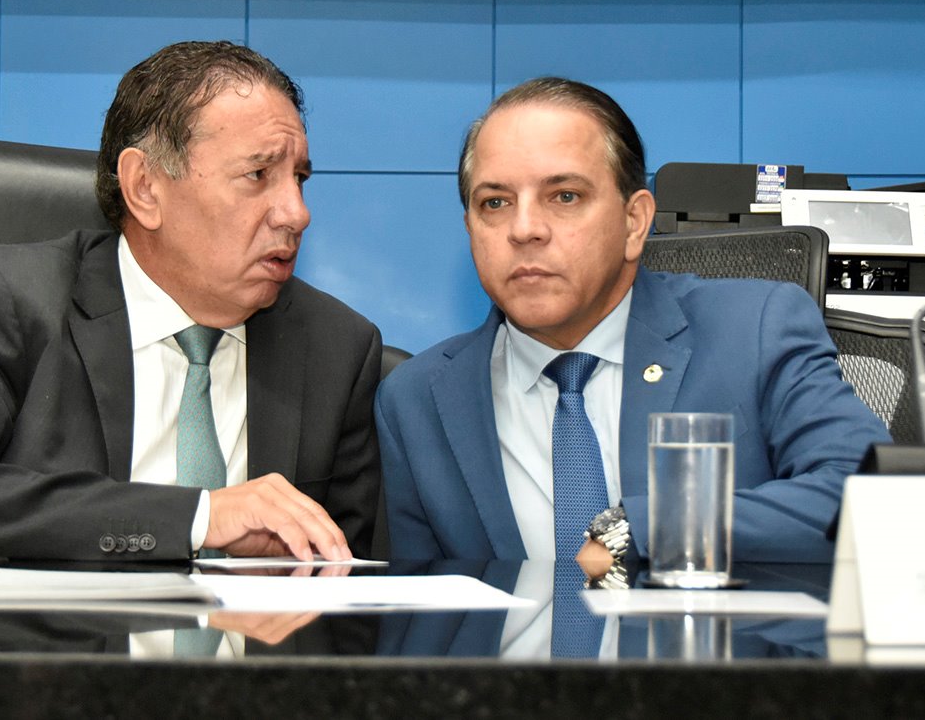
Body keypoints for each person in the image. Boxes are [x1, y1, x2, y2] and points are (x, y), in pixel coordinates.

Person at [0, 41, 383, 562]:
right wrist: (198, 519)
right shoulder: (0, 300)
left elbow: (347, 580)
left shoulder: (336, 349)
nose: (296, 213)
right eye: (258, 175)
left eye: (299, 179)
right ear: (145, 187)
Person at [376, 76, 888, 573]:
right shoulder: (418, 400)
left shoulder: (755, 331)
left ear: (634, 221)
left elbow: (870, 496)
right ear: (470, 226)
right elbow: (422, 602)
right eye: (495, 203)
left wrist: (638, 530)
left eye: (565, 196)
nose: (525, 229)